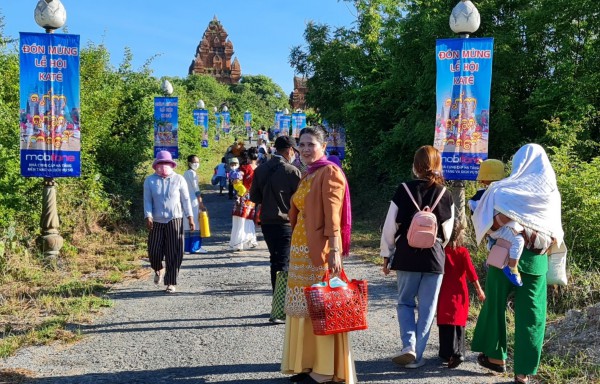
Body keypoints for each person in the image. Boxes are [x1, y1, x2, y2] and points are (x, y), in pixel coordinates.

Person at [471, 143, 565, 384]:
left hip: (501, 258)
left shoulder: (502, 190)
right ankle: (523, 372)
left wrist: (508, 218)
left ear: (518, 163)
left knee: (494, 306)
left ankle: (495, 357)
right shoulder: (552, 195)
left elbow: (486, 225)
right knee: (532, 316)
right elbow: (555, 234)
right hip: (536, 261)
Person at [281, 127, 356, 384]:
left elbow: (334, 216)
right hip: (301, 252)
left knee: (321, 307)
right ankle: (306, 364)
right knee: (304, 308)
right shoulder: (308, 174)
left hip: (320, 253)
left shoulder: (329, 172)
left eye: (311, 144)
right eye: (301, 144)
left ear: (323, 146)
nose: (304, 149)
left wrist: (335, 250)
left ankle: (324, 370)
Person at [380, 145, 454, 369]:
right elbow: (448, 233)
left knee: (404, 302)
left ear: (415, 166)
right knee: (427, 308)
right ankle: (418, 356)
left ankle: (408, 346)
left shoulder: (403, 190)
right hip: (434, 257)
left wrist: (386, 254)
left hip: (406, 255)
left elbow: (389, 226)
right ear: (438, 165)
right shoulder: (446, 194)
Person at [249, 136, 301, 323]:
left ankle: (277, 304)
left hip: (267, 222)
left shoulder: (261, 169)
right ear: (289, 151)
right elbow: (301, 200)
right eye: (294, 150)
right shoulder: (292, 171)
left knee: (275, 261)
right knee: (284, 264)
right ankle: (280, 308)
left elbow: (254, 196)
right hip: (285, 222)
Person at [143, 151, 194, 294]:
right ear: (156, 165)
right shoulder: (150, 181)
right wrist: (148, 216)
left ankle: (171, 282)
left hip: (175, 219)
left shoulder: (179, 179)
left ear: (171, 164)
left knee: (174, 252)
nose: (163, 166)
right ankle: (158, 268)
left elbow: (185, 199)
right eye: (161, 163)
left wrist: (189, 216)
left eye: (166, 163)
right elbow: (147, 200)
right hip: (156, 221)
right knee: (154, 251)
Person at [436, 220, 485, 369]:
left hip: (444, 291)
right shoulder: (463, 251)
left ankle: (447, 354)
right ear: (459, 234)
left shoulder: (441, 250)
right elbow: (471, 272)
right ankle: (459, 352)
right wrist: (479, 289)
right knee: (458, 322)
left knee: (445, 321)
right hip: (459, 291)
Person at [469, 159, 525, 286]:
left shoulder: (480, 194)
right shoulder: (499, 193)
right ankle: (512, 267)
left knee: (495, 240)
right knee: (518, 241)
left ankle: (492, 249)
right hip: (498, 227)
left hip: (488, 228)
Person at [183, 155, 208, 254]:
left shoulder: (185, 173)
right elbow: (197, 190)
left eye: (198, 162)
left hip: (185, 201)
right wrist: (200, 203)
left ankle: (186, 248)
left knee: (186, 224)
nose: (196, 164)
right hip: (193, 202)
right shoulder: (192, 174)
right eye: (194, 162)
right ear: (189, 163)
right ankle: (195, 247)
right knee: (196, 224)